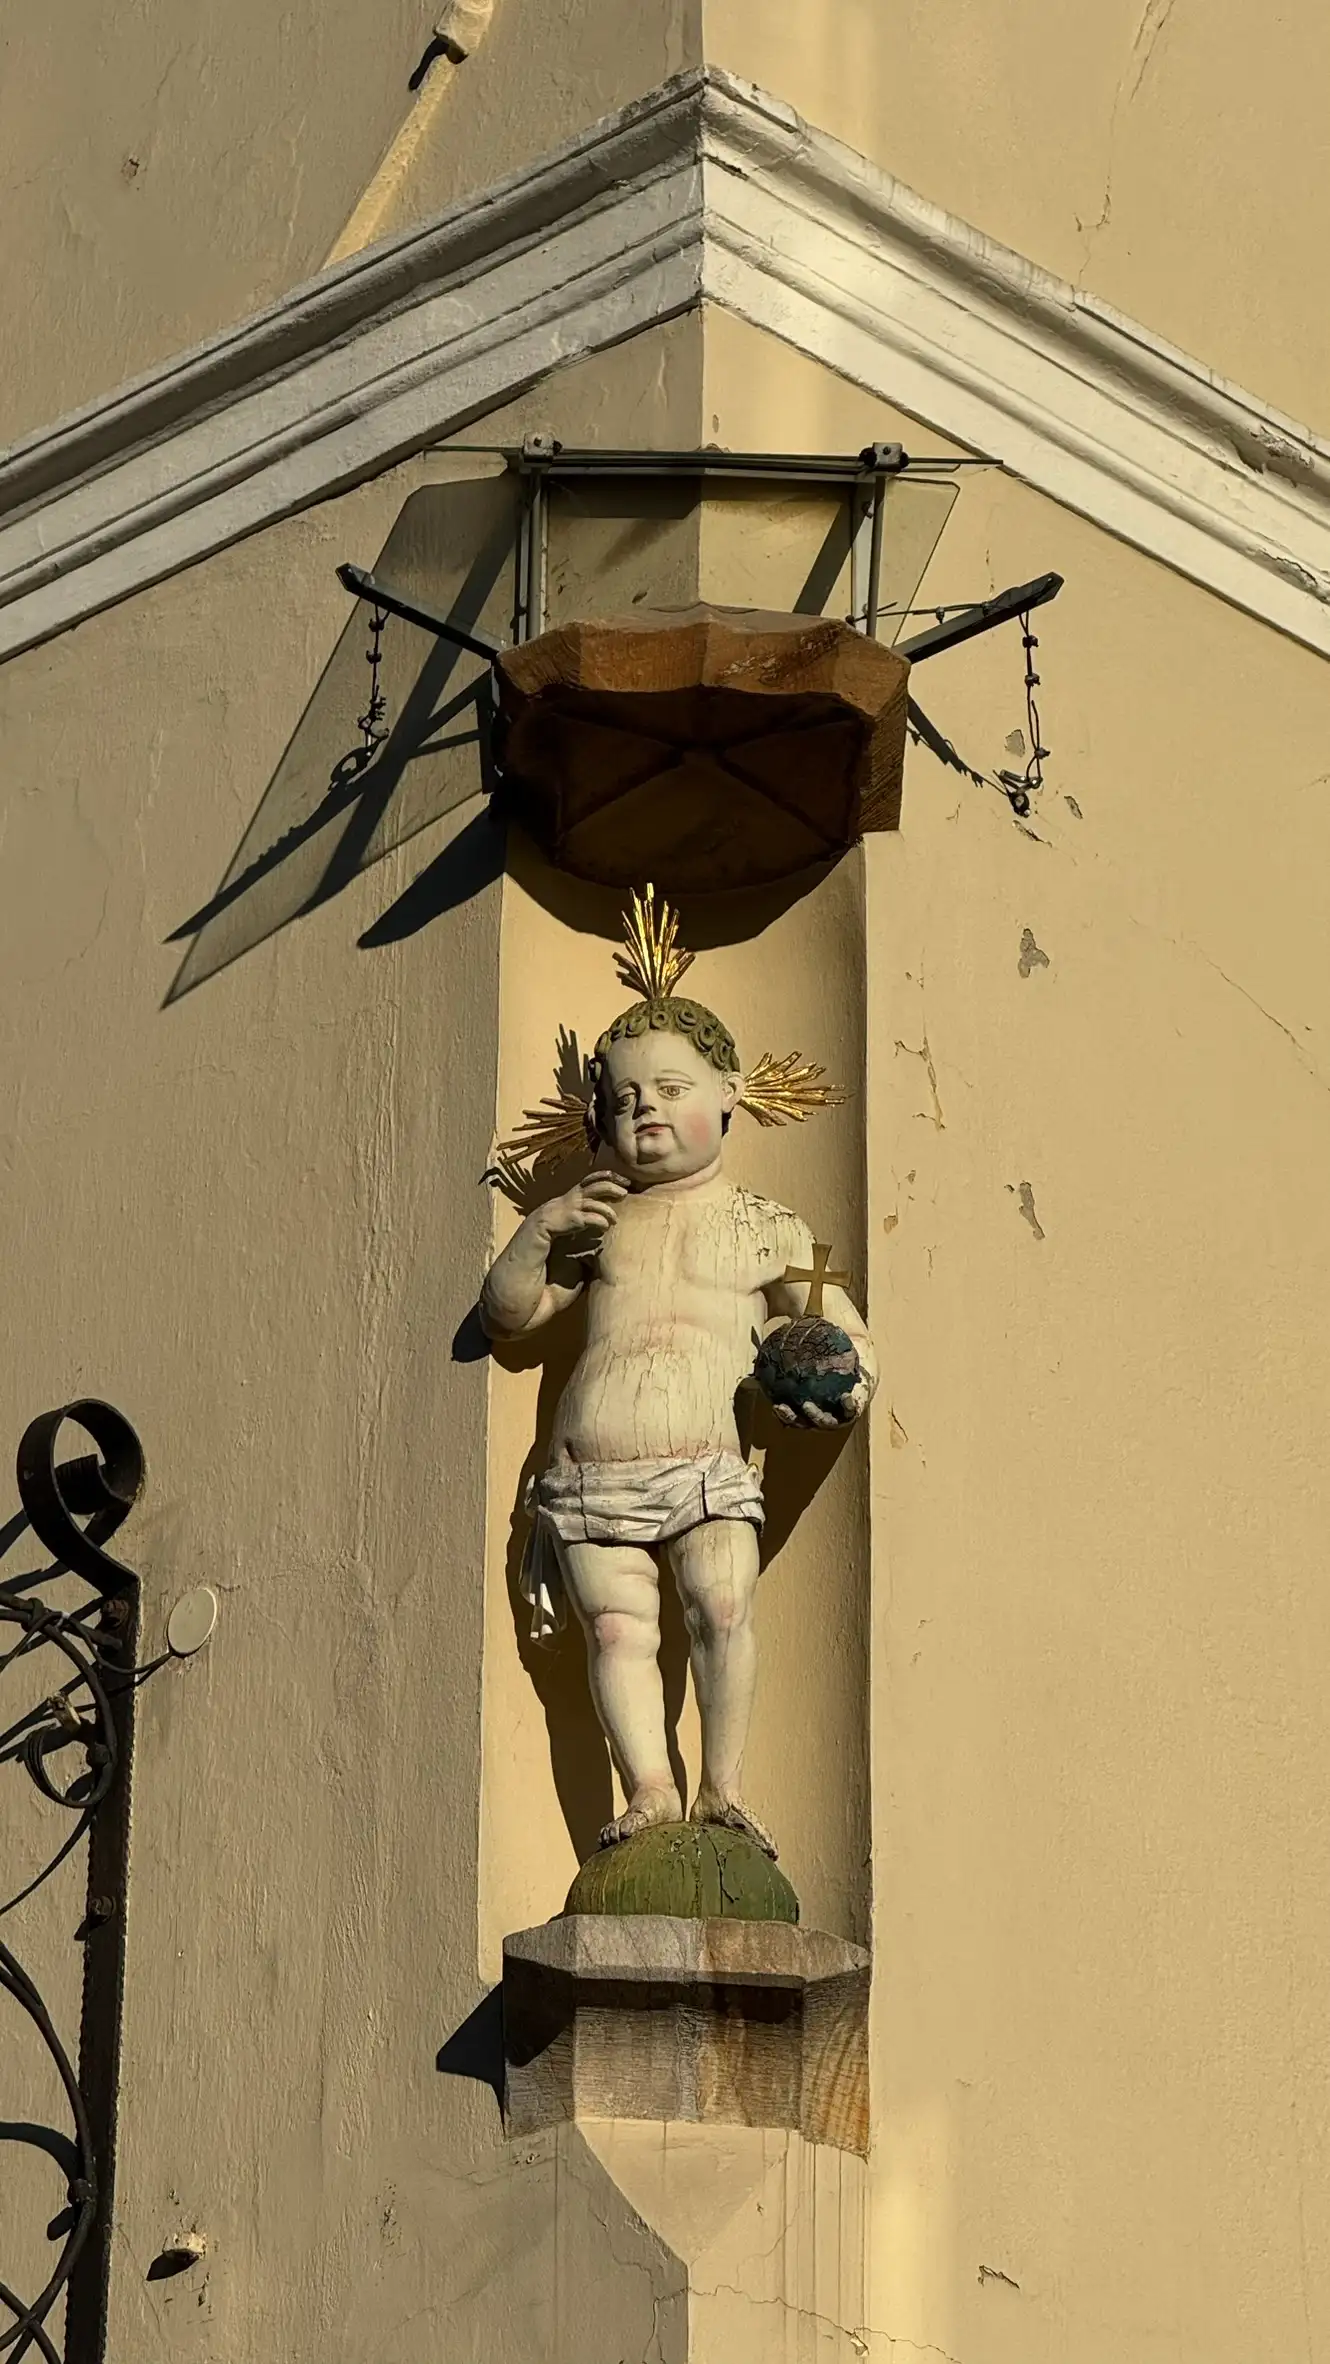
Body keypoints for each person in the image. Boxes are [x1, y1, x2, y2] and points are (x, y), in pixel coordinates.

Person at [481, 892, 876, 1856]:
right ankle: (650, 1787)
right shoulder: (598, 1220)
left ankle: (723, 1784)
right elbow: (510, 1316)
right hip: (591, 1467)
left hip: (708, 1457)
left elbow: (843, 1343)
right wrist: (539, 1232)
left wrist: (828, 1374)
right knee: (618, 1633)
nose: (644, 1106)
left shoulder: (761, 1224)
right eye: (622, 1098)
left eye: (668, 1086)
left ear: (732, 1093)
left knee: (722, 1605)